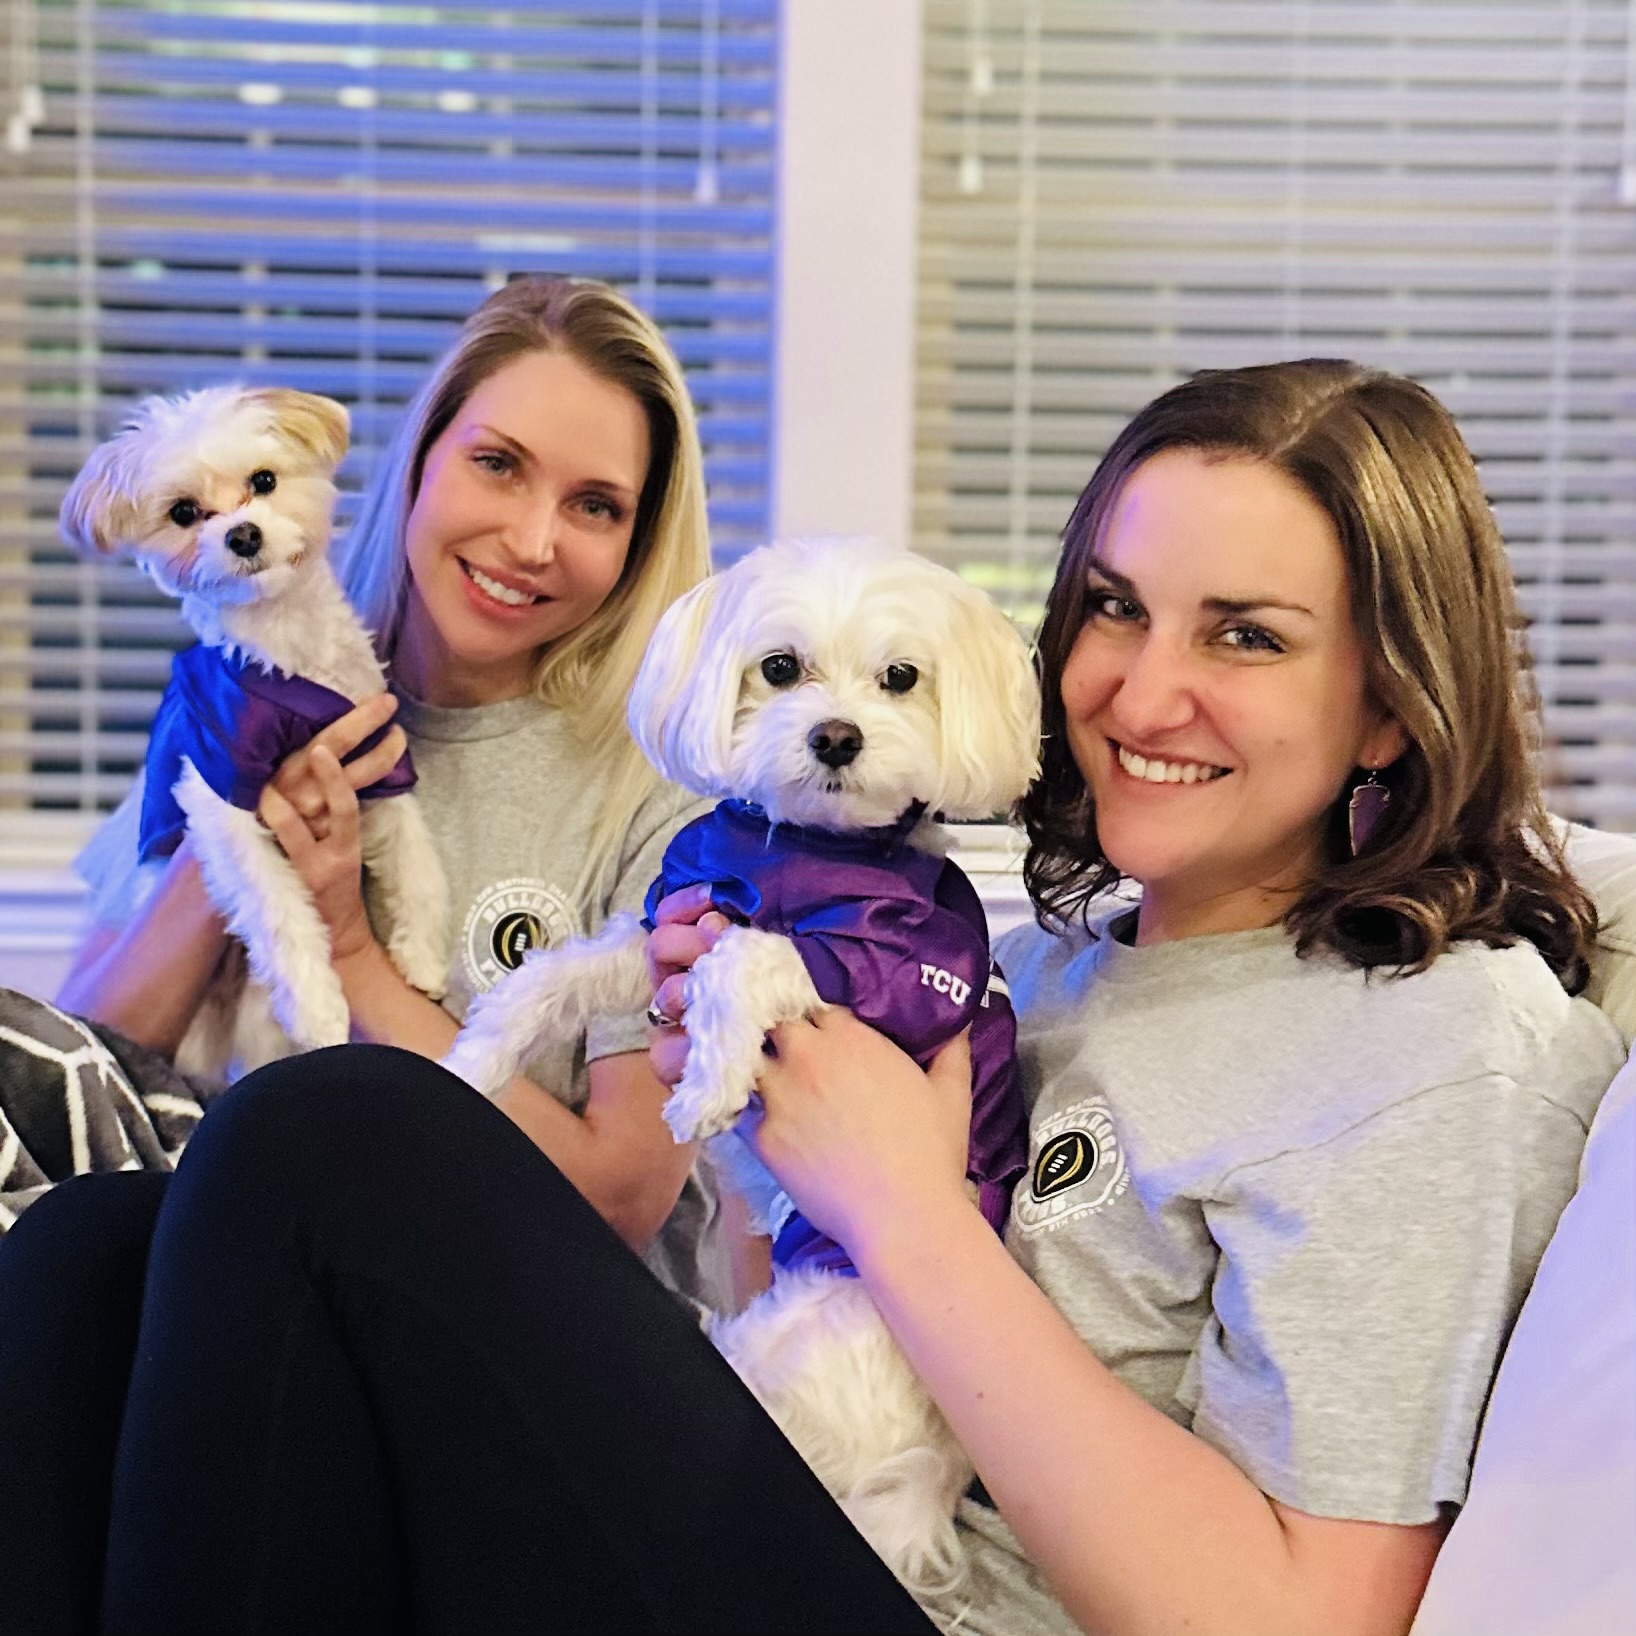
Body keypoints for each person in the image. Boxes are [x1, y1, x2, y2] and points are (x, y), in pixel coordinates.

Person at [0, 359, 1621, 1636]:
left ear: (1392, 709)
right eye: (1115, 605)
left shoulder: (1438, 1036)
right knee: (96, 1251)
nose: (1141, 687)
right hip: (798, 1490)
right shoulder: (1047, 960)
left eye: (1245, 637)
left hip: (939, 1607)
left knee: (337, 1134)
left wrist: (905, 1213)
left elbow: (1299, 1621)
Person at [3, 273, 728, 1295]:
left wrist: (351, 950)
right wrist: (231, 837)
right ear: (423, 460)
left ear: (637, 541)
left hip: (535, 1334)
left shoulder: (670, 797)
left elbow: (616, 1200)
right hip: (262, 1309)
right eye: (496, 464)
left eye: (594, 505)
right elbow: (63, 1085)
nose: (530, 541)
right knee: (71, 1255)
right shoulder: (241, 700)